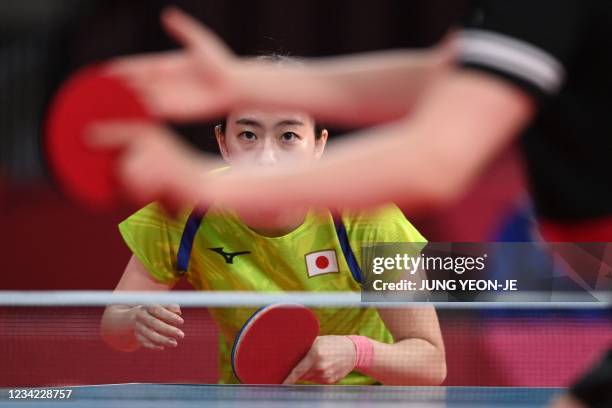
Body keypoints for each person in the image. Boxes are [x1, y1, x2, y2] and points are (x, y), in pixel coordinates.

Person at [99, 89, 446, 385]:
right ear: (223, 142)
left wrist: (357, 351)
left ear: (318, 145)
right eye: (248, 135)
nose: (266, 158)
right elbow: (114, 326)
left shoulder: (370, 215)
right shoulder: (181, 211)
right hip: (250, 400)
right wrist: (135, 320)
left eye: (288, 136)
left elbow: (431, 362)